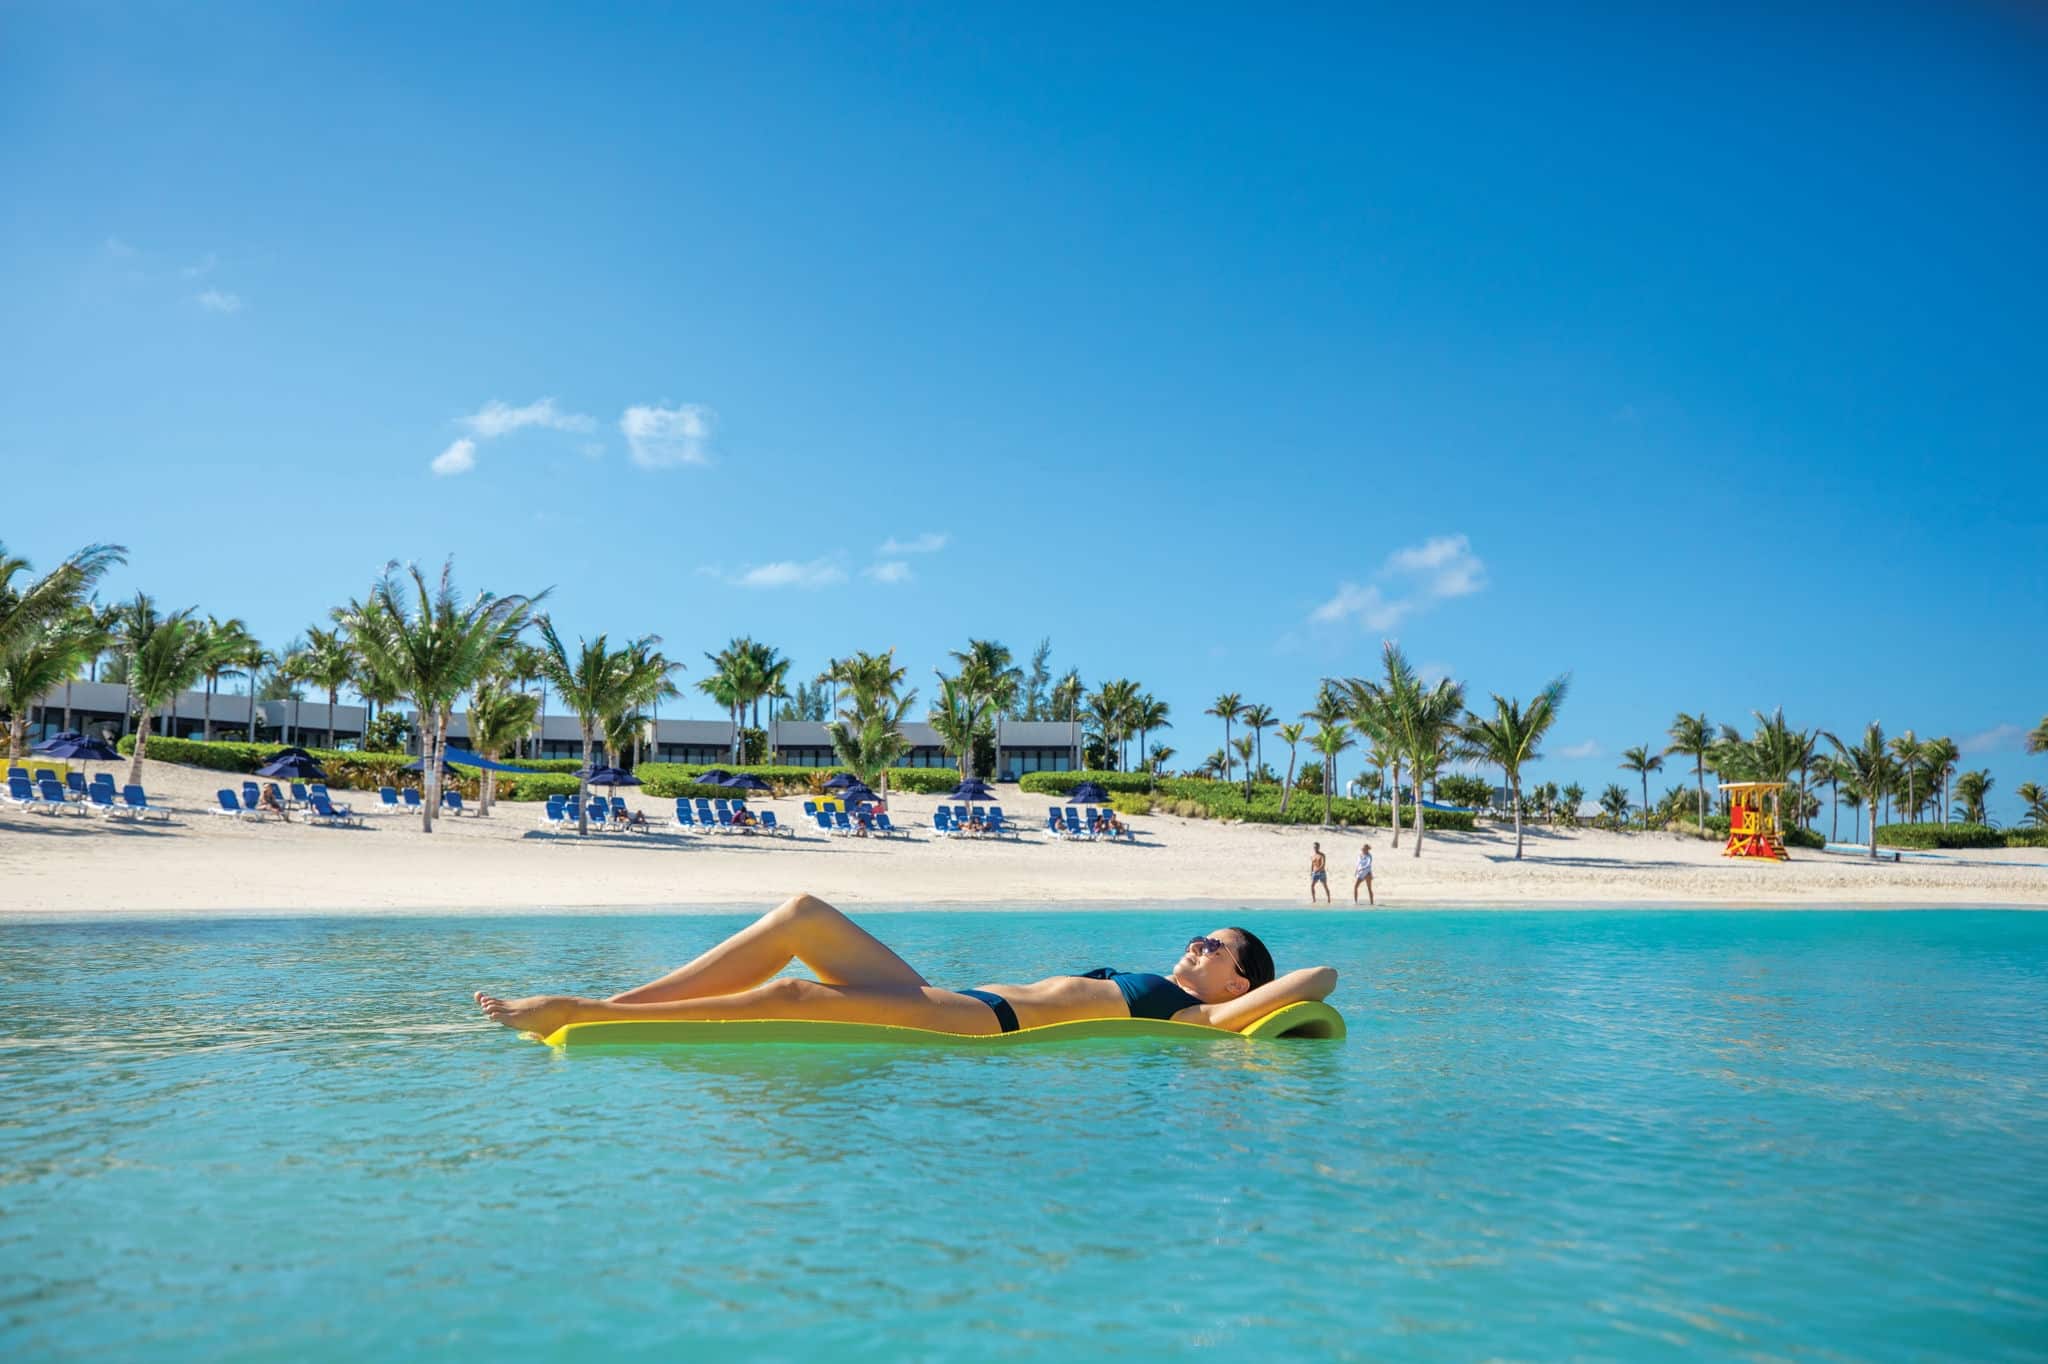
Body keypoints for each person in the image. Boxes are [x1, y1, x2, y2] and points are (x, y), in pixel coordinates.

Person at [476, 892, 1336, 1039]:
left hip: (982, 1025)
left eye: (1214, 946)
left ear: (1240, 981)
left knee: (793, 995)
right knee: (802, 917)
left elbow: (1319, 978)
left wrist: (1257, 1000)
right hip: (947, 995)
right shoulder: (1179, 986)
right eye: (1198, 936)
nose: (1196, 946)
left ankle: (578, 1012)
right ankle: (616, 997)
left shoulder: (1193, 1017)